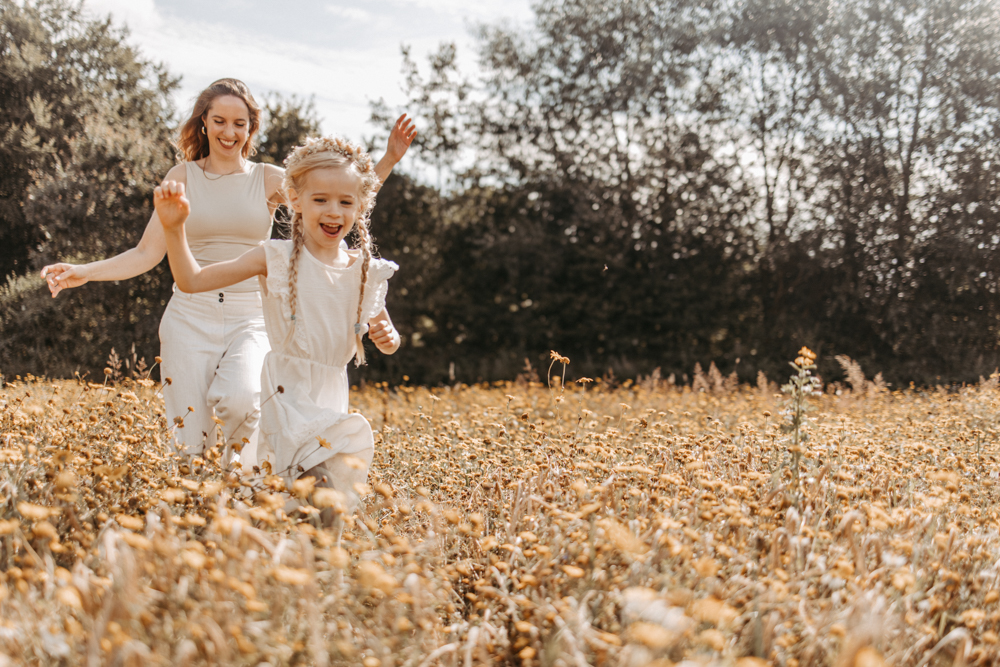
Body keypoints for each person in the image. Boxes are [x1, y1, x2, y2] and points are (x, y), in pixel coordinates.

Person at [39, 78, 416, 461]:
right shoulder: (181, 176)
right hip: (190, 313)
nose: (229, 131)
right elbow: (144, 253)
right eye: (220, 120)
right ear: (204, 122)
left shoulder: (267, 178)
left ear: (252, 128)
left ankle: (240, 494)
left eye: (240, 123)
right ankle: (197, 508)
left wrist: (387, 161)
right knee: (189, 441)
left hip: (250, 316)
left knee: (242, 404)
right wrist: (86, 271)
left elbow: (333, 199)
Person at [154, 135, 399, 517]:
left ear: (360, 207)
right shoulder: (274, 257)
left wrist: (389, 338)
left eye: (345, 202)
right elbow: (192, 281)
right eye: (320, 200)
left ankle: (304, 566)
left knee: (301, 502)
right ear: (296, 201)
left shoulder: (364, 269)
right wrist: (174, 229)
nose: (333, 211)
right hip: (286, 395)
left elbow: (385, 335)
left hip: (330, 396)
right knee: (320, 492)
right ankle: (318, 562)